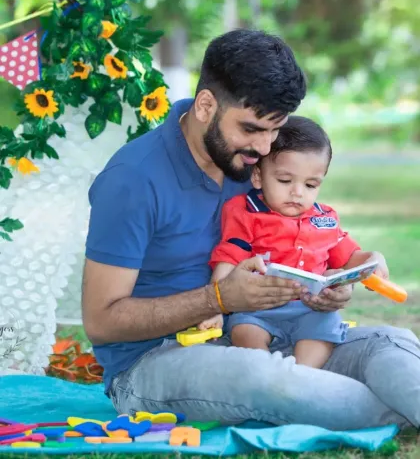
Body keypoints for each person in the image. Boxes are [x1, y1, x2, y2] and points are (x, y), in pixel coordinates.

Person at [82, 29, 420, 431]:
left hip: (276, 332)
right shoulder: (133, 180)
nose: (265, 148)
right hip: (154, 361)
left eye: (275, 130)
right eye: (252, 129)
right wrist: (219, 298)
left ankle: (373, 402)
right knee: (266, 378)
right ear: (206, 105)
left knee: (393, 344)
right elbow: (101, 321)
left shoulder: (253, 163)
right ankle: (388, 412)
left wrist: (333, 286)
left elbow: (312, 237)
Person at [198, 116, 388, 369]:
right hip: (256, 308)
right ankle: (265, 373)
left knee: (322, 332)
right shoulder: (245, 211)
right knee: (244, 332)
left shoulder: (325, 219)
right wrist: (214, 305)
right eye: (285, 181)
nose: (297, 192)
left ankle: (302, 376)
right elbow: (229, 258)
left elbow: (351, 257)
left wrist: (374, 259)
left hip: (311, 310)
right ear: (258, 177)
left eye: (310, 184)